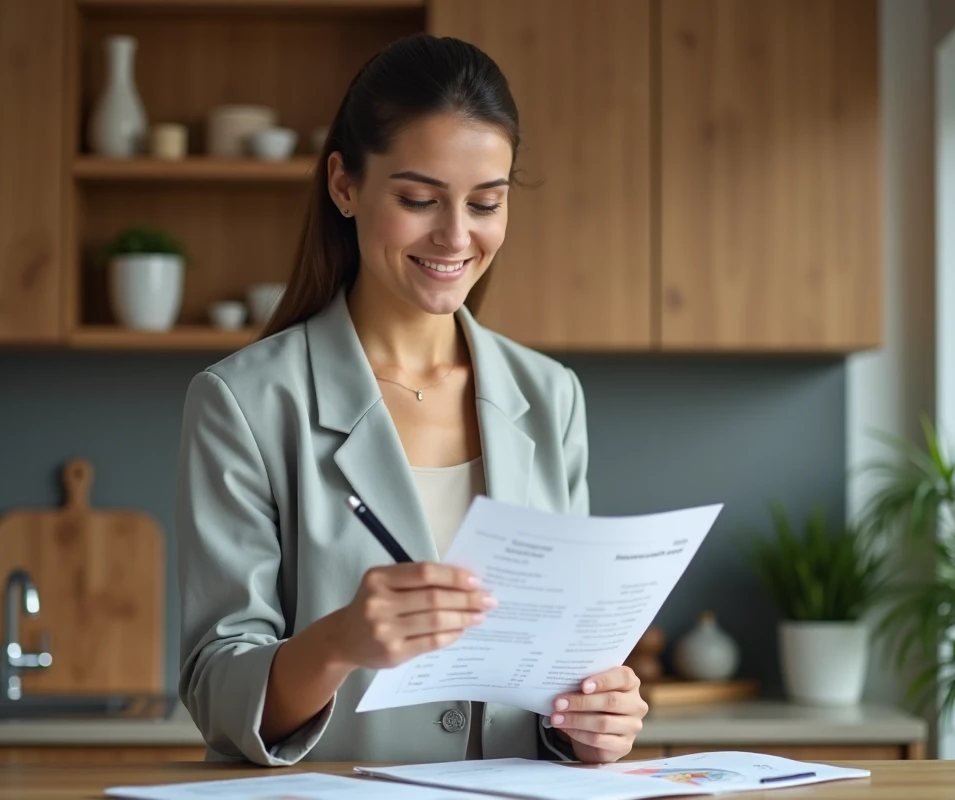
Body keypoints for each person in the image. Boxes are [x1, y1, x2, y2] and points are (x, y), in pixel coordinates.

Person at [175, 33, 648, 767]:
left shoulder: (550, 396)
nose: (456, 236)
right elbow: (215, 687)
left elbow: (561, 661)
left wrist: (588, 720)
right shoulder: (243, 402)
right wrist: (338, 643)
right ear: (344, 185)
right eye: (419, 199)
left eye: (486, 202)